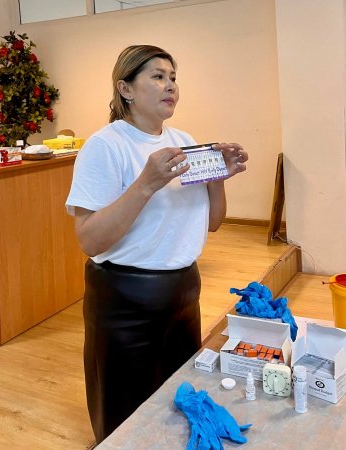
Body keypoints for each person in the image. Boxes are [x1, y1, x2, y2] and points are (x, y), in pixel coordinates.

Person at [65, 44, 248, 444]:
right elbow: (89, 238)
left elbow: (213, 223)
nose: (170, 86)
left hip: (184, 291)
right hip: (125, 300)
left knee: (178, 402)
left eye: (173, 78)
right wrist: (146, 184)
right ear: (125, 89)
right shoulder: (105, 145)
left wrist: (219, 176)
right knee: (124, 416)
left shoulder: (184, 140)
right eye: (158, 76)